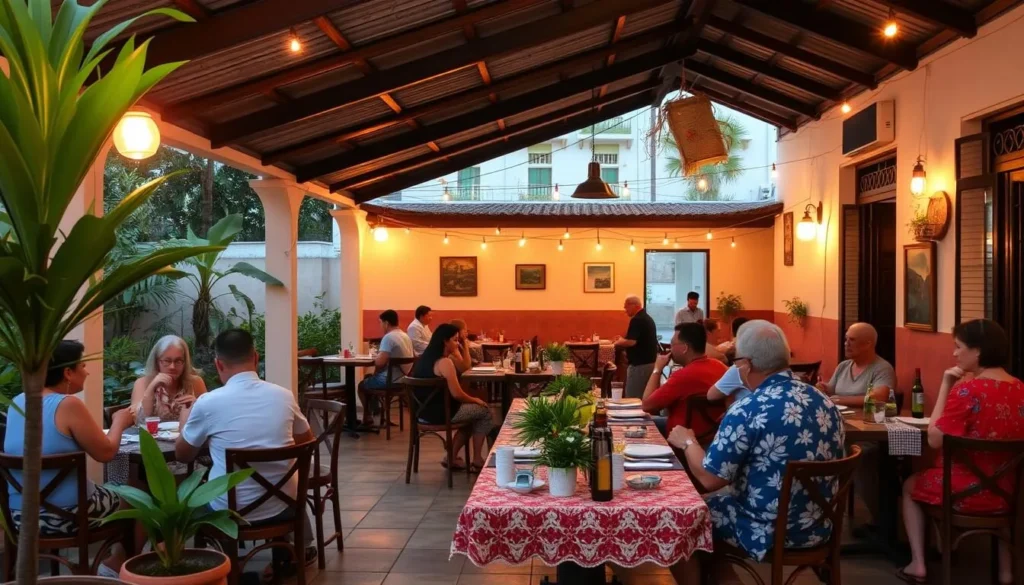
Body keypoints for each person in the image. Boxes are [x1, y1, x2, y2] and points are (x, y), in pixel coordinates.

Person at [668, 320, 845, 564]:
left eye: (736, 362)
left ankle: (719, 579)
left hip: (764, 531)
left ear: (746, 365)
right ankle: (721, 577)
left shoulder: (748, 409)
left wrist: (688, 441)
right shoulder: (824, 401)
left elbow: (710, 479)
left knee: (685, 515)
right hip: (819, 526)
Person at [899, 319, 1024, 585]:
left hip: (961, 491)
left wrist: (946, 384)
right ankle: (1006, 572)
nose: (954, 354)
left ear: (977, 351)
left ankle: (918, 564)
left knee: (910, 485)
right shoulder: (1020, 389)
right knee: (997, 484)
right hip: (1008, 493)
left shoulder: (967, 390)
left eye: (958, 347)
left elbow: (934, 439)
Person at [4, 340, 134, 575]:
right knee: (138, 497)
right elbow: (106, 453)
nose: (87, 371)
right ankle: (119, 565)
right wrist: (119, 422)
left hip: (19, 515)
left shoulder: (18, 401)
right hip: (67, 516)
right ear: (67, 372)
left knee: (114, 487)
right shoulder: (68, 404)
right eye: (82, 365)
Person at [176, 329, 315, 521]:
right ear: (256, 358)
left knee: (194, 498)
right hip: (284, 504)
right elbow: (306, 441)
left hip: (229, 510)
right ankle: (290, 546)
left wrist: (185, 418)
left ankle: (213, 551)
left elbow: (183, 455)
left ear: (218, 364)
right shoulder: (284, 395)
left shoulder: (208, 403)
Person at [410, 324, 494, 473]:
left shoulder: (424, 360)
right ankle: (477, 459)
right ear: (445, 341)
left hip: (421, 414)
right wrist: (475, 400)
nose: (457, 344)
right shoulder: (444, 363)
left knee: (471, 417)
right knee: (484, 411)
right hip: (441, 413)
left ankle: (451, 457)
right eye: (455, 340)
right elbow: (457, 394)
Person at [641, 322, 727, 438]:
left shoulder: (683, 376)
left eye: (672, 344)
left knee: (640, 422)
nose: (670, 348)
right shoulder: (721, 367)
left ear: (685, 348)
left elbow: (646, 405)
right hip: (714, 435)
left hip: (681, 437)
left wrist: (657, 368)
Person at [130, 335, 207, 422]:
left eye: (178, 361)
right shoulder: (142, 383)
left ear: (185, 363)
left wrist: (197, 405)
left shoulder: (195, 382)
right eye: (167, 361)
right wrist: (151, 387)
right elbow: (139, 420)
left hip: (185, 434)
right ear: (157, 361)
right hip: (152, 435)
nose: (172, 367)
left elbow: (209, 416)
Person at [357, 310, 415, 426]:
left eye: (381, 323)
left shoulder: (388, 338)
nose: (380, 326)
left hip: (391, 380)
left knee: (362, 385)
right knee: (370, 378)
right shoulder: (405, 336)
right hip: (404, 379)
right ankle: (378, 413)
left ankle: (368, 416)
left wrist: (376, 357)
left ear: (386, 323)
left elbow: (379, 363)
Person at [816, 322, 893, 406]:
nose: (846, 344)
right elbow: (831, 390)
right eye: (846, 339)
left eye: (852, 340)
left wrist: (840, 400)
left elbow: (879, 397)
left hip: (864, 418)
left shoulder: (882, 368)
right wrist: (823, 388)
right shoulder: (843, 366)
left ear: (868, 344)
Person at [614, 295, 659, 399]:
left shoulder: (637, 319)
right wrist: (622, 339)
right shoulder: (646, 318)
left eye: (626, 307)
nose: (625, 310)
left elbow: (631, 342)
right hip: (649, 362)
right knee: (644, 395)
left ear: (634, 305)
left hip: (640, 365)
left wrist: (618, 342)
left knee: (633, 397)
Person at [707, 317, 753, 403]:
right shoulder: (778, 370)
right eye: (718, 330)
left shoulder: (738, 369)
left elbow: (711, 395)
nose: (720, 333)